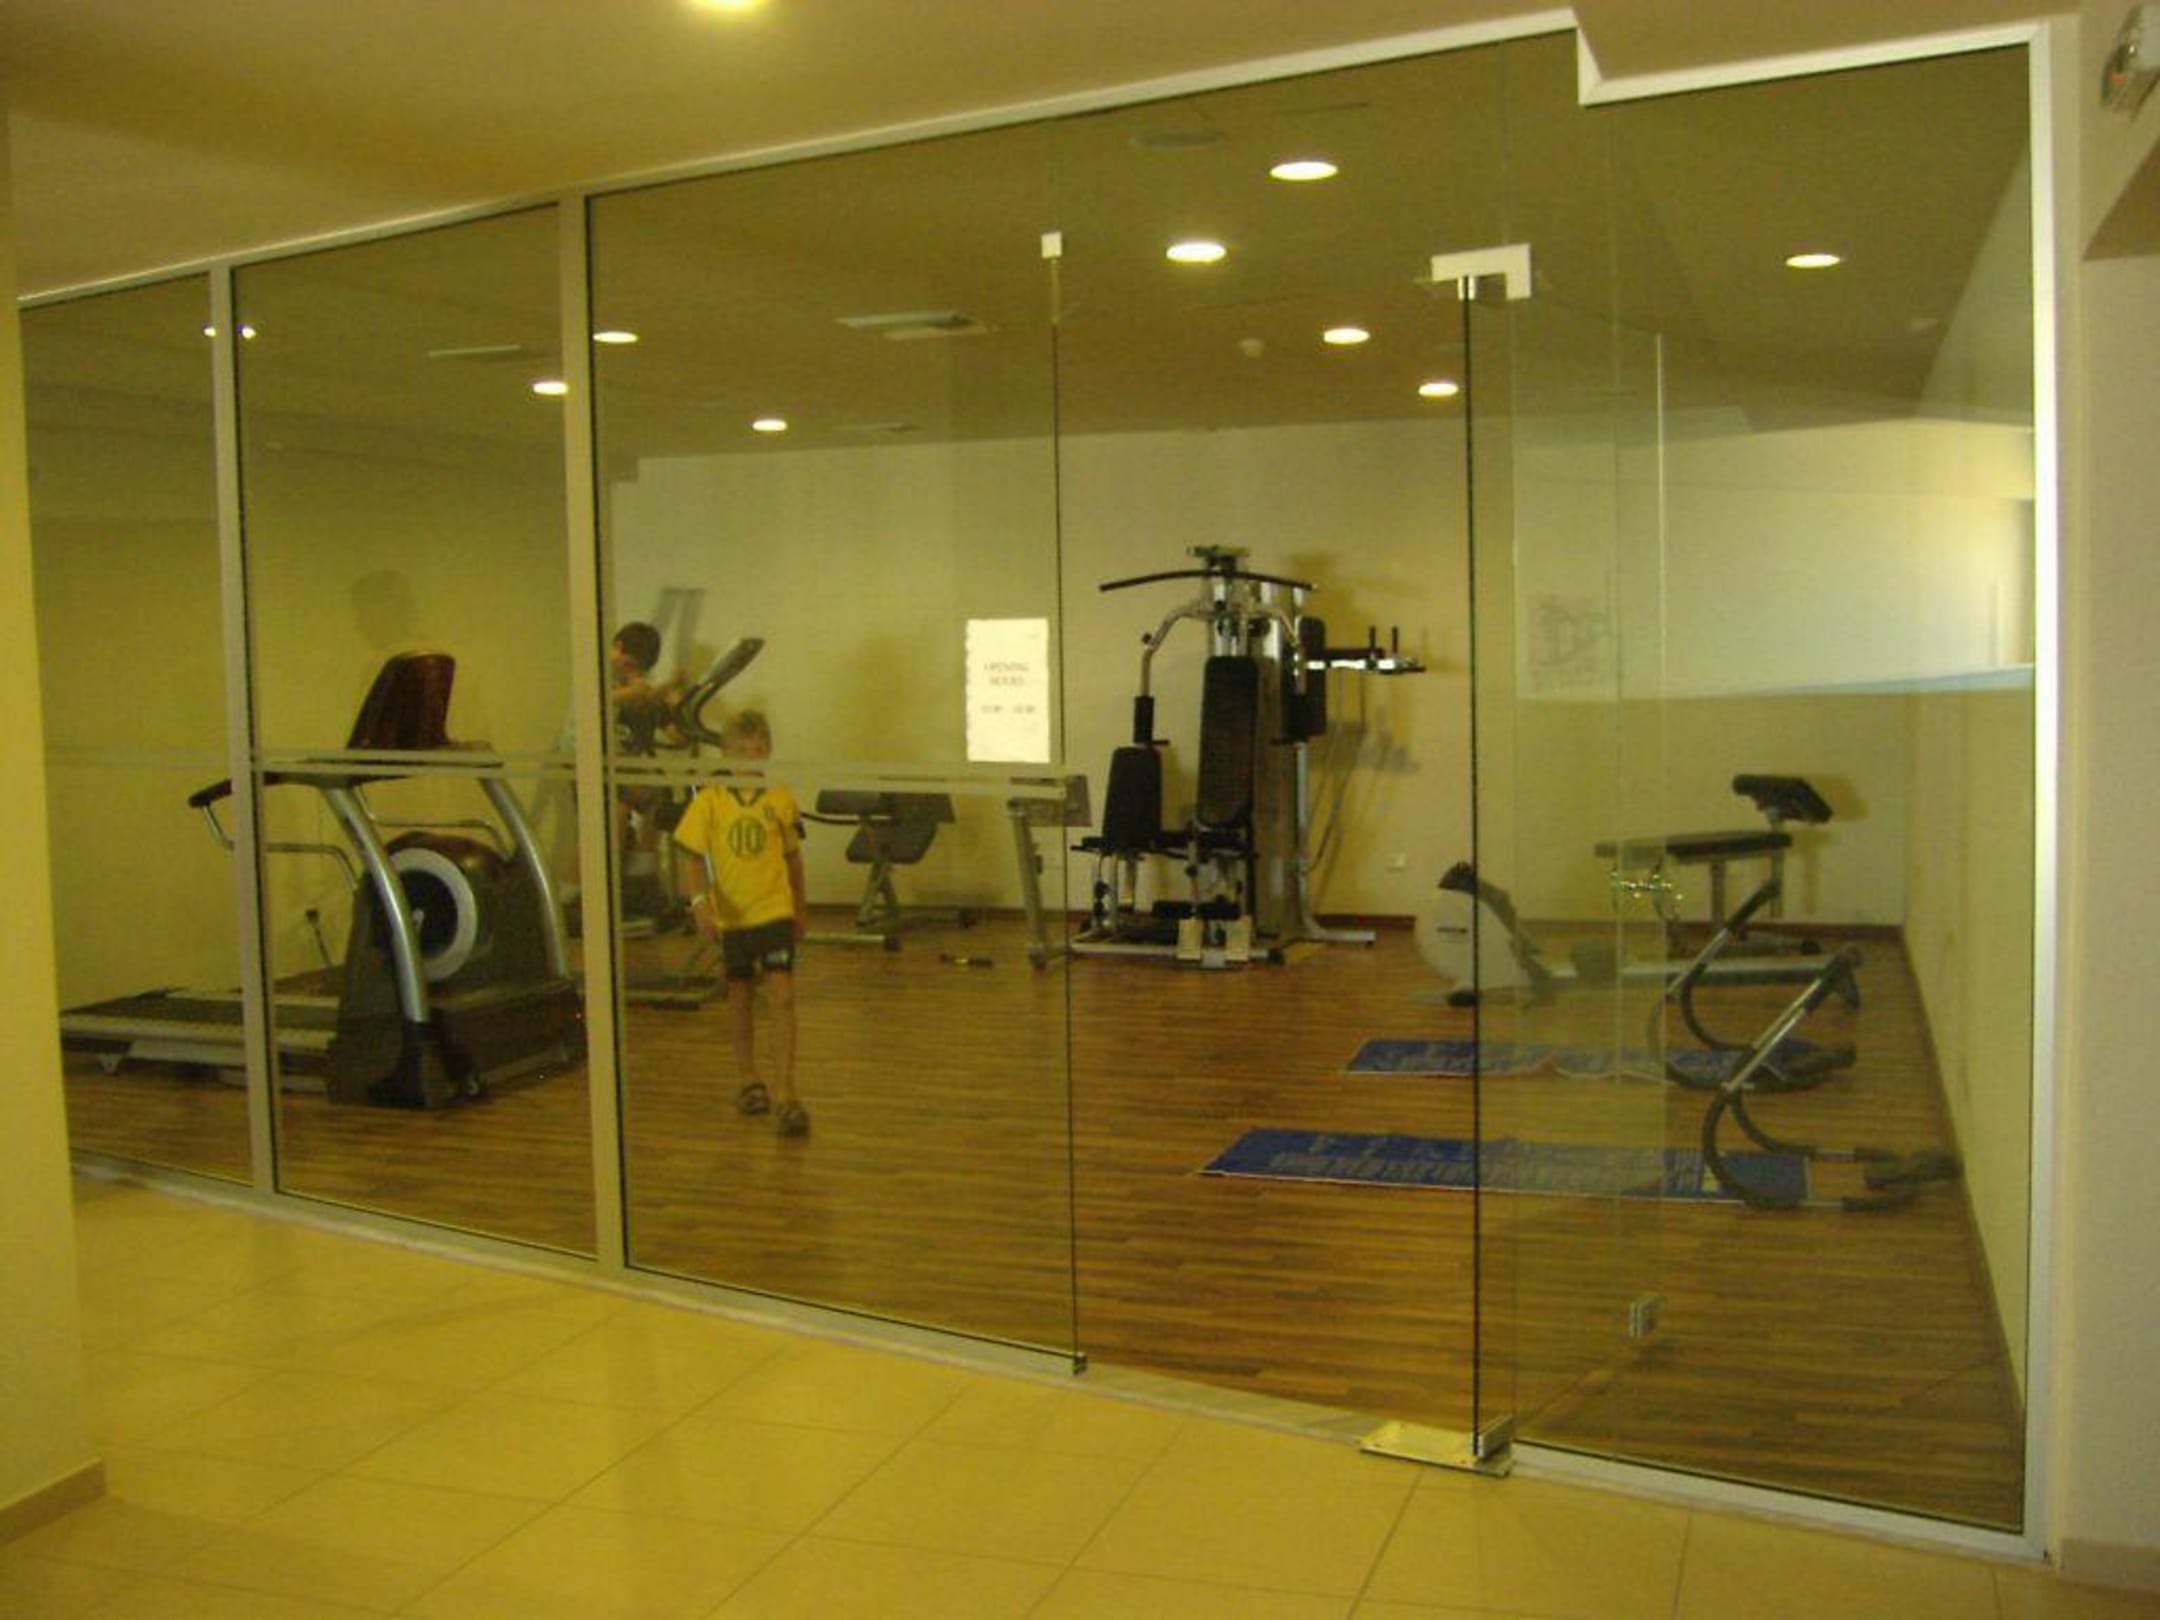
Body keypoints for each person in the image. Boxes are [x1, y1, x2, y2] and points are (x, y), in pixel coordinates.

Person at [672, 710, 811, 1136]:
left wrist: (800, 908)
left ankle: (787, 1091)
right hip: (734, 918)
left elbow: (793, 859)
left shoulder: (780, 799)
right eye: (741, 750)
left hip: (773, 911)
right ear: (726, 754)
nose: (750, 757)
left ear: (767, 751)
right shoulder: (710, 802)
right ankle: (749, 1079)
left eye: (758, 749)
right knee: (740, 997)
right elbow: (691, 856)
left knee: (782, 995)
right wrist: (700, 904)